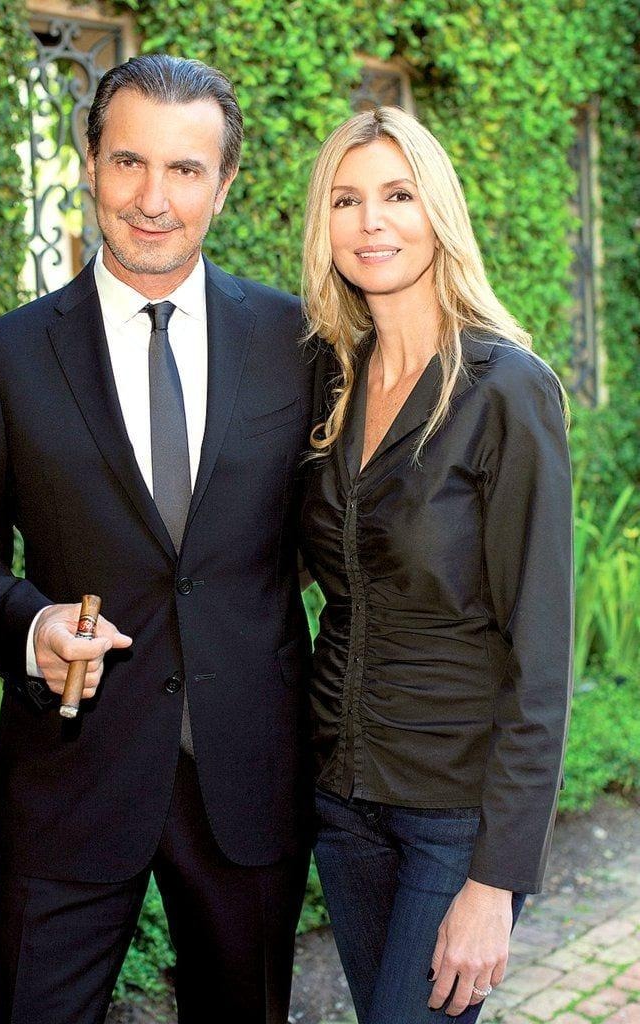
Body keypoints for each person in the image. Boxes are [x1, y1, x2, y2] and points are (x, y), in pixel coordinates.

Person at [0, 54, 314, 1024]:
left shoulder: (297, 341)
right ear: (90, 162)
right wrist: (33, 624)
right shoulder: (5, 356)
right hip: (72, 776)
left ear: (224, 183)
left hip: (249, 776)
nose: (152, 199)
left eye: (185, 169)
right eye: (129, 161)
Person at [299, 106, 572, 1023]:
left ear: (437, 213)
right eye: (345, 200)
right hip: (341, 802)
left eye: (397, 195)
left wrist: (496, 880)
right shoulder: (327, 384)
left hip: (454, 818)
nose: (370, 222)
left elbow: (541, 654)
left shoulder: (507, 390)